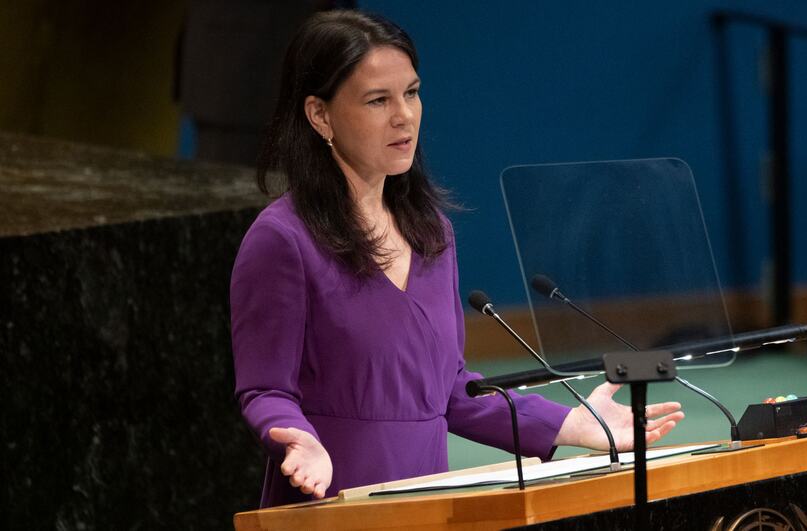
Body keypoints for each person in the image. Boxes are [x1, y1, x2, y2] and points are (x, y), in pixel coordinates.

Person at [230, 10, 684, 508]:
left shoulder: (432, 233)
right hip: (330, 495)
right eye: (378, 100)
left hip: (427, 496)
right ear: (320, 115)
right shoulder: (282, 239)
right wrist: (296, 435)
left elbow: (450, 392)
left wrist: (572, 423)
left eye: (412, 92)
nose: (404, 116)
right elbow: (265, 388)